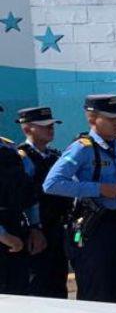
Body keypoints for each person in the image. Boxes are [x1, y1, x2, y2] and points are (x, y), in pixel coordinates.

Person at [43, 94, 116, 303]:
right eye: (111, 118)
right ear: (92, 119)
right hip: (92, 228)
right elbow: (52, 184)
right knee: (96, 292)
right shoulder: (83, 148)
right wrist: (98, 189)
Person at [17, 107, 67, 298]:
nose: (50, 129)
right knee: (39, 285)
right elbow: (23, 197)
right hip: (36, 230)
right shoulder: (20, 157)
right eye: (45, 126)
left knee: (58, 283)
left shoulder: (55, 157)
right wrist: (33, 228)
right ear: (27, 129)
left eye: (52, 125)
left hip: (57, 228)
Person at [0, 106, 42, 295]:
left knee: (19, 295)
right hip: (5, 234)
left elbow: (27, 192)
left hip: (15, 227)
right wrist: (2, 235)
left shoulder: (8, 149)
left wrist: (35, 227)